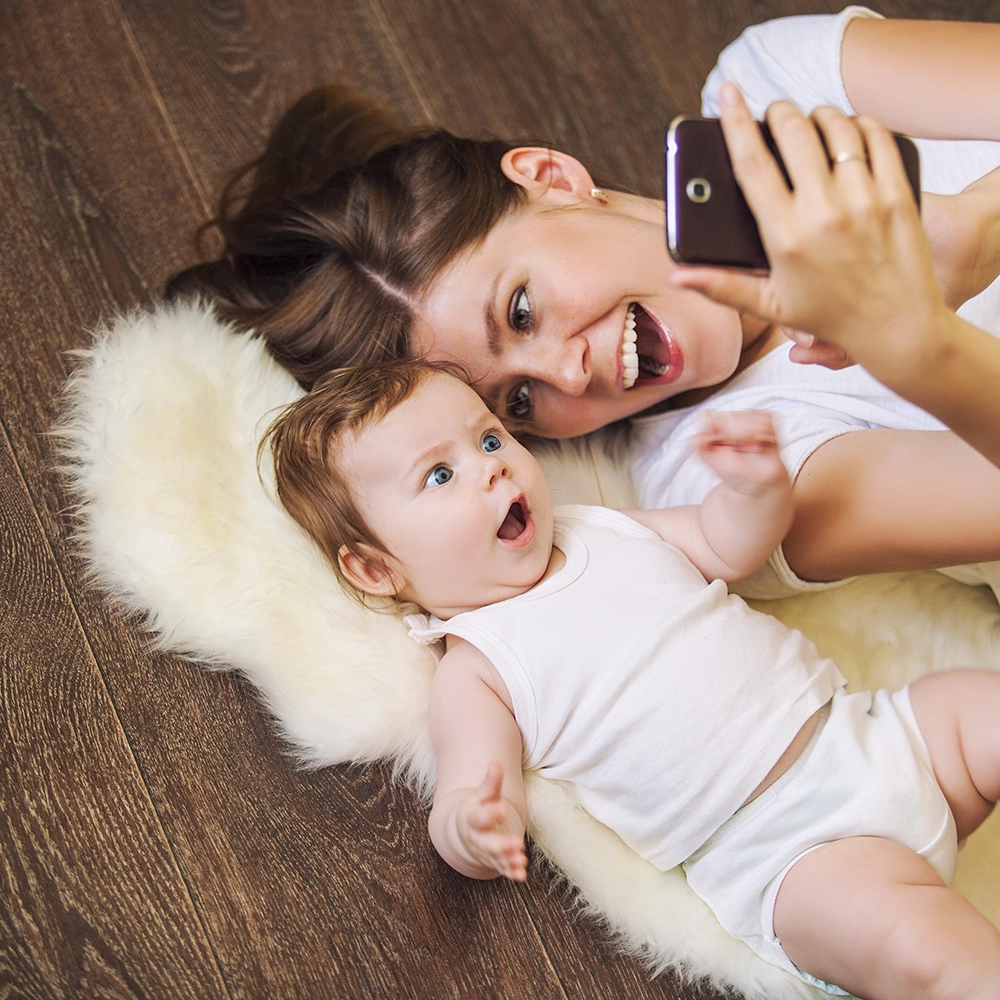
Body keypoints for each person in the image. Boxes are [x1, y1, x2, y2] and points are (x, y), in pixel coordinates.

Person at [167, 7, 1000, 601]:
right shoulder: (732, 480)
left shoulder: (775, 88)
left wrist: (979, 227)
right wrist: (917, 345)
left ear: (552, 178)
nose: (568, 371)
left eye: (521, 311)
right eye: (516, 402)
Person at [264, 359, 1000, 998]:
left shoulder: (604, 529)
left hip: (875, 733)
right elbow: (465, 784)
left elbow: (724, 543)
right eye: (440, 474)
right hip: (792, 857)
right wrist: (472, 825)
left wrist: (756, 489)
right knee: (928, 955)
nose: (491, 464)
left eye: (490, 437)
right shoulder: (478, 668)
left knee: (979, 707)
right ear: (377, 567)